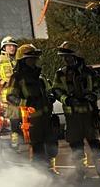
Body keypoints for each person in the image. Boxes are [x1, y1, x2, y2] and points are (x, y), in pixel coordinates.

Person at [51, 41, 100, 179]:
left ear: (76, 56)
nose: (65, 59)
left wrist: (93, 96)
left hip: (90, 115)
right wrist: (67, 99)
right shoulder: (61, 74)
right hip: (73, 116)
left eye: (68, 56)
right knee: (76, 146)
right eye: (64, 57)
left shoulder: (89, 72)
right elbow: (56, 90)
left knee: (96, 144)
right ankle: (81, 172)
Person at [6, 43, 60, 174]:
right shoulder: (17, 77)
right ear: (23, 61)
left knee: (51, 145)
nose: (34, 61)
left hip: (46, 117)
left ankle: (50, 170)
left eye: (35, 58)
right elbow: (11, 96)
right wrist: (26, 102)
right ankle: (39, 174)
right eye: (31, 58)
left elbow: (49, 91)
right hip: (32, 119)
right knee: (38, 147)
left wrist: (51, 96)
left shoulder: (40, 77)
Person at [0, 35, 22, 152]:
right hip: (6, 95)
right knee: (13, 120)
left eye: (14, 46)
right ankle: (14, 144)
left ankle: (18, 142)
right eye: (9, 46)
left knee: (19, 119)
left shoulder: (18, 61)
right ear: (3, 47)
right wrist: (0, 81)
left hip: (18, 94)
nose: (12, 48)